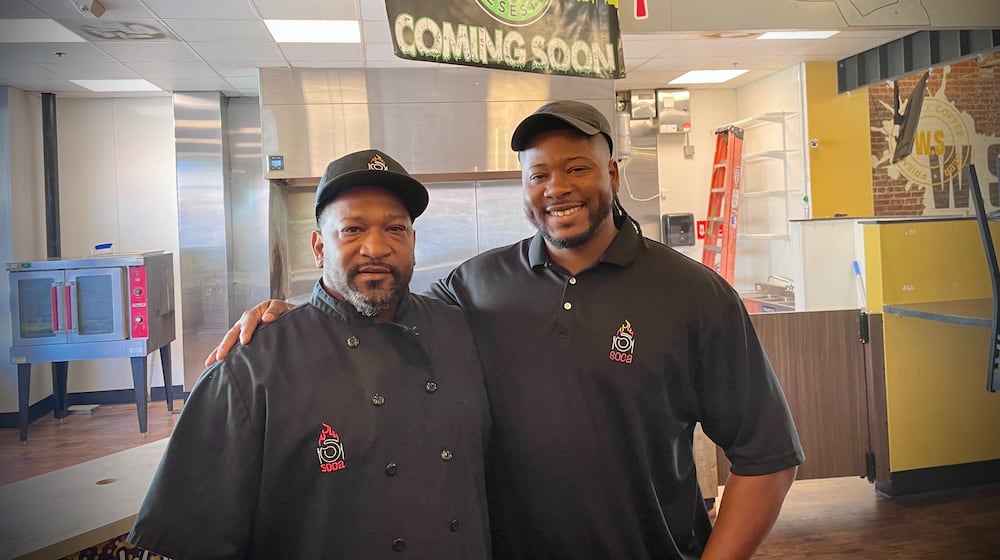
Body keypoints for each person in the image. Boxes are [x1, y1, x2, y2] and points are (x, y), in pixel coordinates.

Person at [210, 101, 805, 559]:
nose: (558, 187)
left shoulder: (695, 295)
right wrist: (288, 315)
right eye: (538, 173)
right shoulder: (473, 287)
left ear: (614, 174)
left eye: (578, 167)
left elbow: (767, 455)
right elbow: (377, 311)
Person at [130, 150, 491, 559]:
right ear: (319, 248)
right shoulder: (252, 365)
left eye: (394, 228)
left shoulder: (459, 330)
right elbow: (194, 538)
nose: (376, 247)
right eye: (352, 230)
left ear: (412, 241)